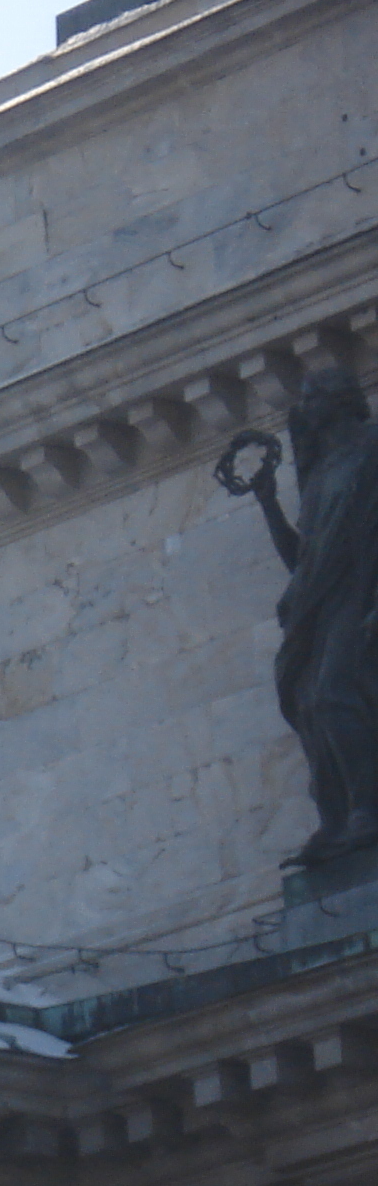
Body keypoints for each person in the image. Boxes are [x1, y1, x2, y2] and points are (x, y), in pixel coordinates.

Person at [220, 369, 378, 867]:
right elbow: (303, 565)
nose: (306, 409)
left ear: (343, 401)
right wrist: (268, 503)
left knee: (334, 694)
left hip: (361, 593)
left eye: (313, 399)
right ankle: (343, 817)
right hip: (325, 606)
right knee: (310, 701)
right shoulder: (320, 474)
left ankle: (364, 813)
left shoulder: (371, 452)